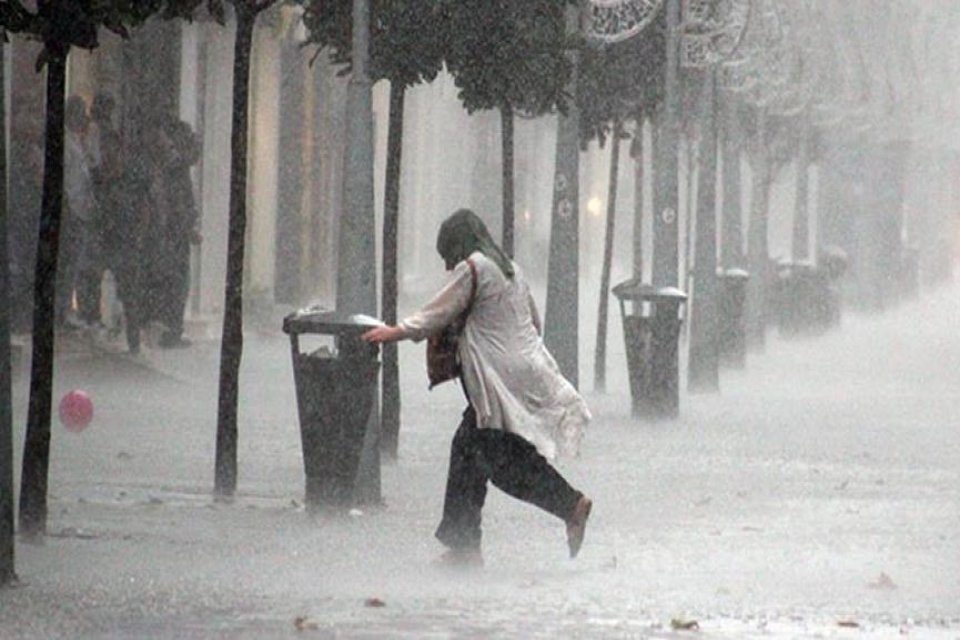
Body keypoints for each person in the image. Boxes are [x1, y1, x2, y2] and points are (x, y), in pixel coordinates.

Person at [362, 209, 593, 566]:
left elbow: (437, 312)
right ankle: (464, 544)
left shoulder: (472, 268)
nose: (447, 266)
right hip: (527, 370)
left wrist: (395, 332)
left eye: (446, 256)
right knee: (469, 448)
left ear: (458, 245)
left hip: (497, 381)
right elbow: (534, 320)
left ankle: (567, 505)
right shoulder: (510, 269)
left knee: (497, 458)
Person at [143, 116, 201, 348]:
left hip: (166, 232)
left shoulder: (166, 165)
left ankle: (166, 328)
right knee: (175, 282)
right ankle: (169, 330)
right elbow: (178, 203)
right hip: (171, 234)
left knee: (169, 280)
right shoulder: (175, 168)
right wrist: (188, 227)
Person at [58, 95, 100, 328]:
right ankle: (62, 310)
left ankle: (64, 309)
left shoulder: (77, 141)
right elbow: (65, 179)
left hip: (81, 210)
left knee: (74, 263)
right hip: (72, 210)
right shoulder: (66, 142)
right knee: (69, 263)